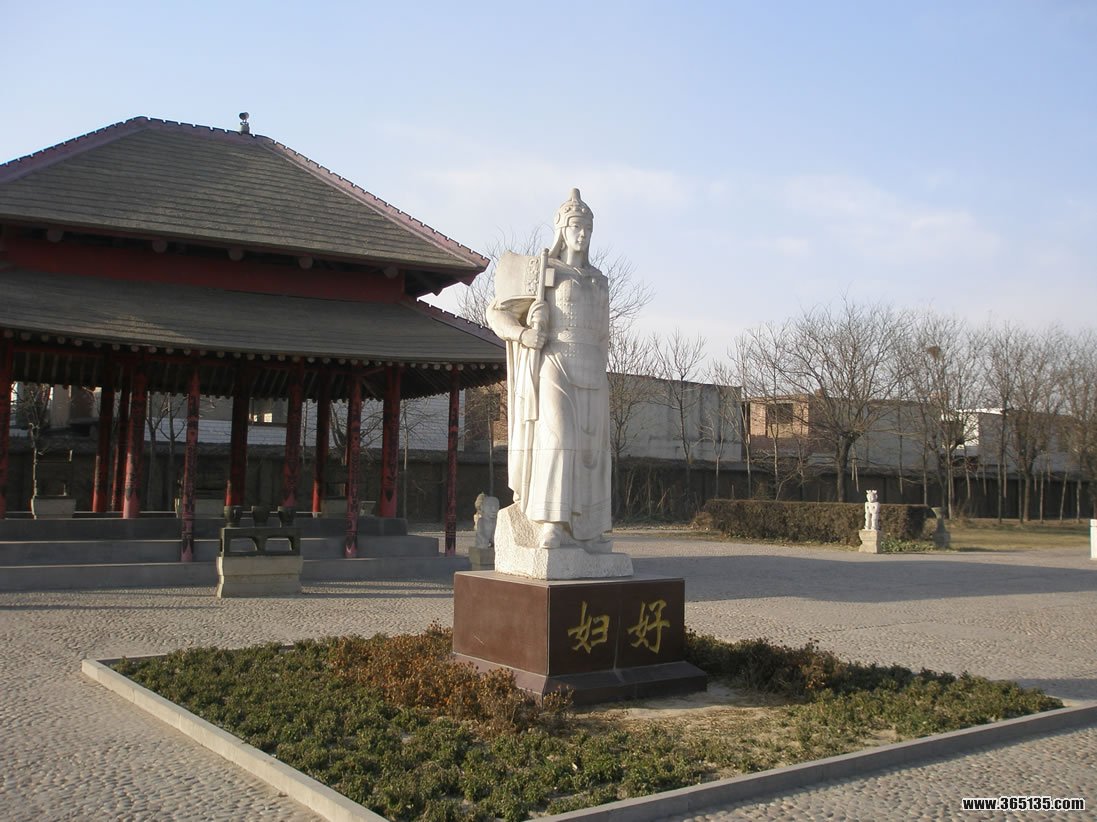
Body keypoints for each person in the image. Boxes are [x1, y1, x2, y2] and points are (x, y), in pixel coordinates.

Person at [487, 189, 612, 551]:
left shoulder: (600, 280)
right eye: (576, 226)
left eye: (587, 228)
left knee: (591, 451)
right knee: (558, 440)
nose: (582, 234)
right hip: (555, 360)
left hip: (592, 365)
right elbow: (496, 312)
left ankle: (588, 529)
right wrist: (523, 333)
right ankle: (552, 522)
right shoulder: (544, 271)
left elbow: (603, 334)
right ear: (562, 229)